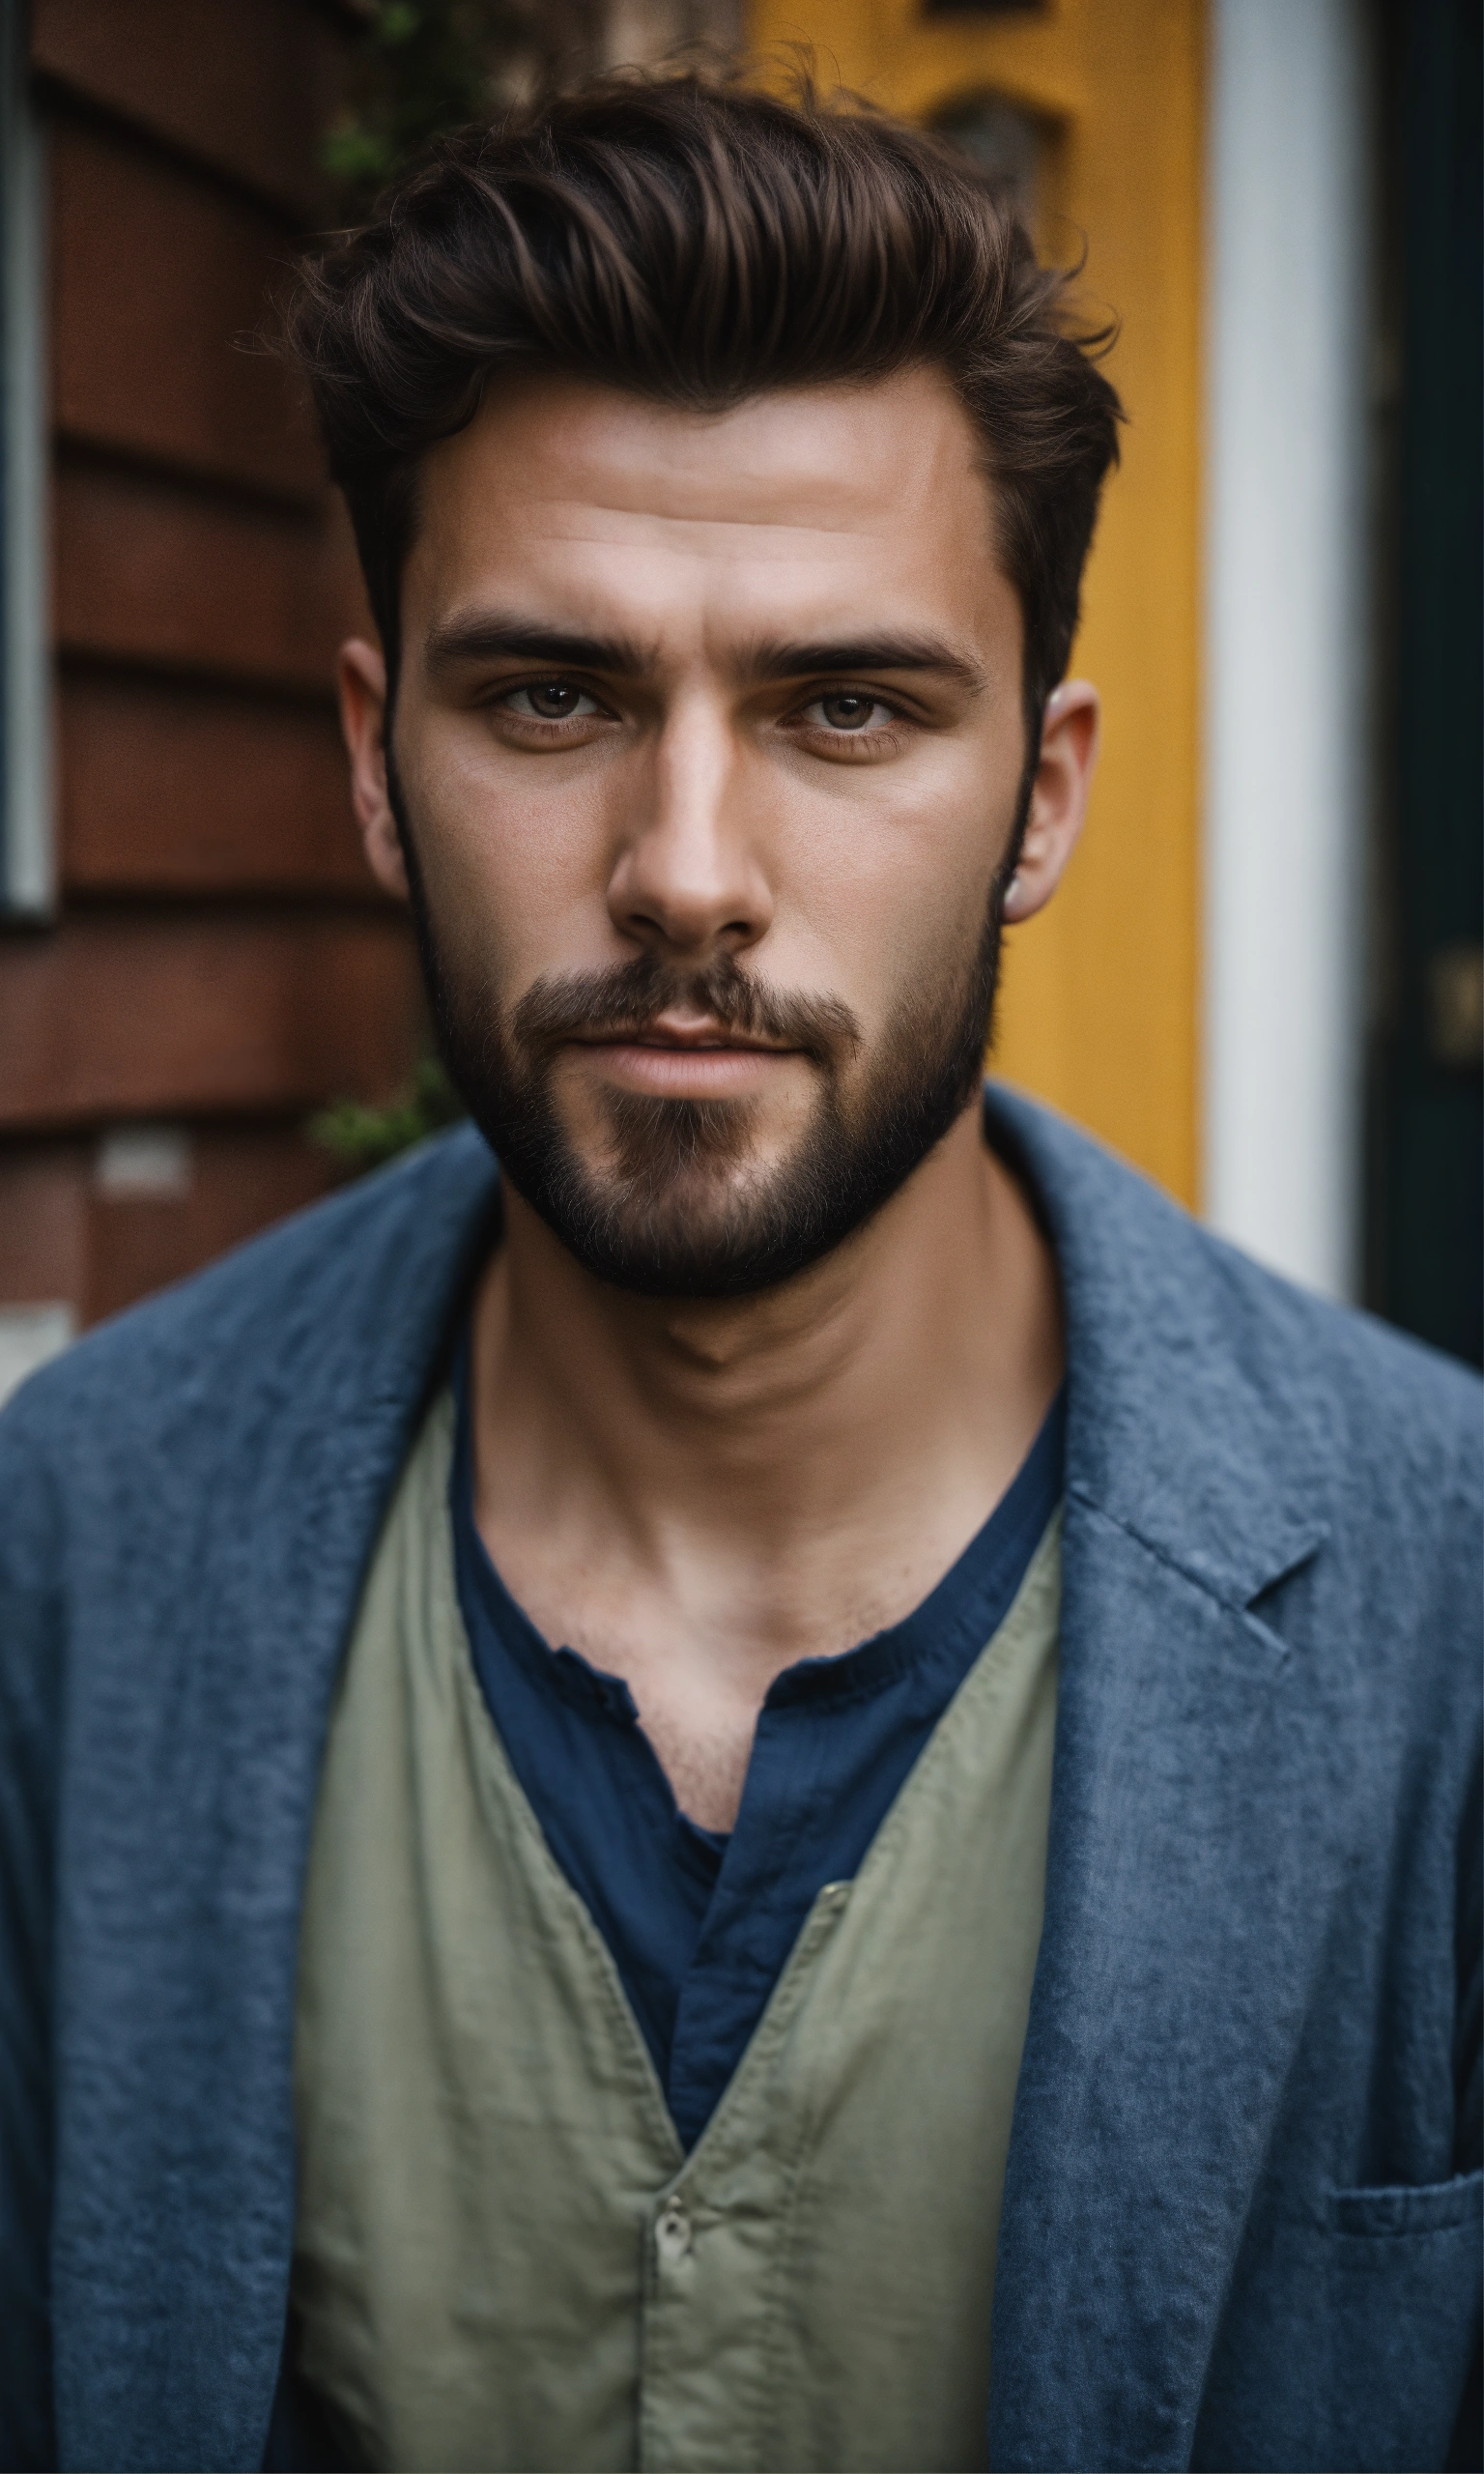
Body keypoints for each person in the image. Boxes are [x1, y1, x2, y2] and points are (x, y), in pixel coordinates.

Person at [1, 70, 1478, 2474]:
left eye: (846, 705)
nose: (687, 865)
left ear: (1048, 791)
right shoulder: (72, 1541)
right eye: (552, 695)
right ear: (379, 760)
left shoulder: (1453, 1602)